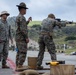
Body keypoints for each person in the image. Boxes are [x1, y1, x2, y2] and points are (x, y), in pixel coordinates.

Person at [15, 2, 32, 70]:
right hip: (22, 38)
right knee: (23, 52)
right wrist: (26, 37)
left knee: (19, 52)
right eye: (25, 9)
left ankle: (18, 65)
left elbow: (22, 25)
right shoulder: (21, 17)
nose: (26, 11)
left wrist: (27, 21)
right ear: (22, 9)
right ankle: (20, 65)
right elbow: (23, 29)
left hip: (18, 37)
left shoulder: (19, 17)